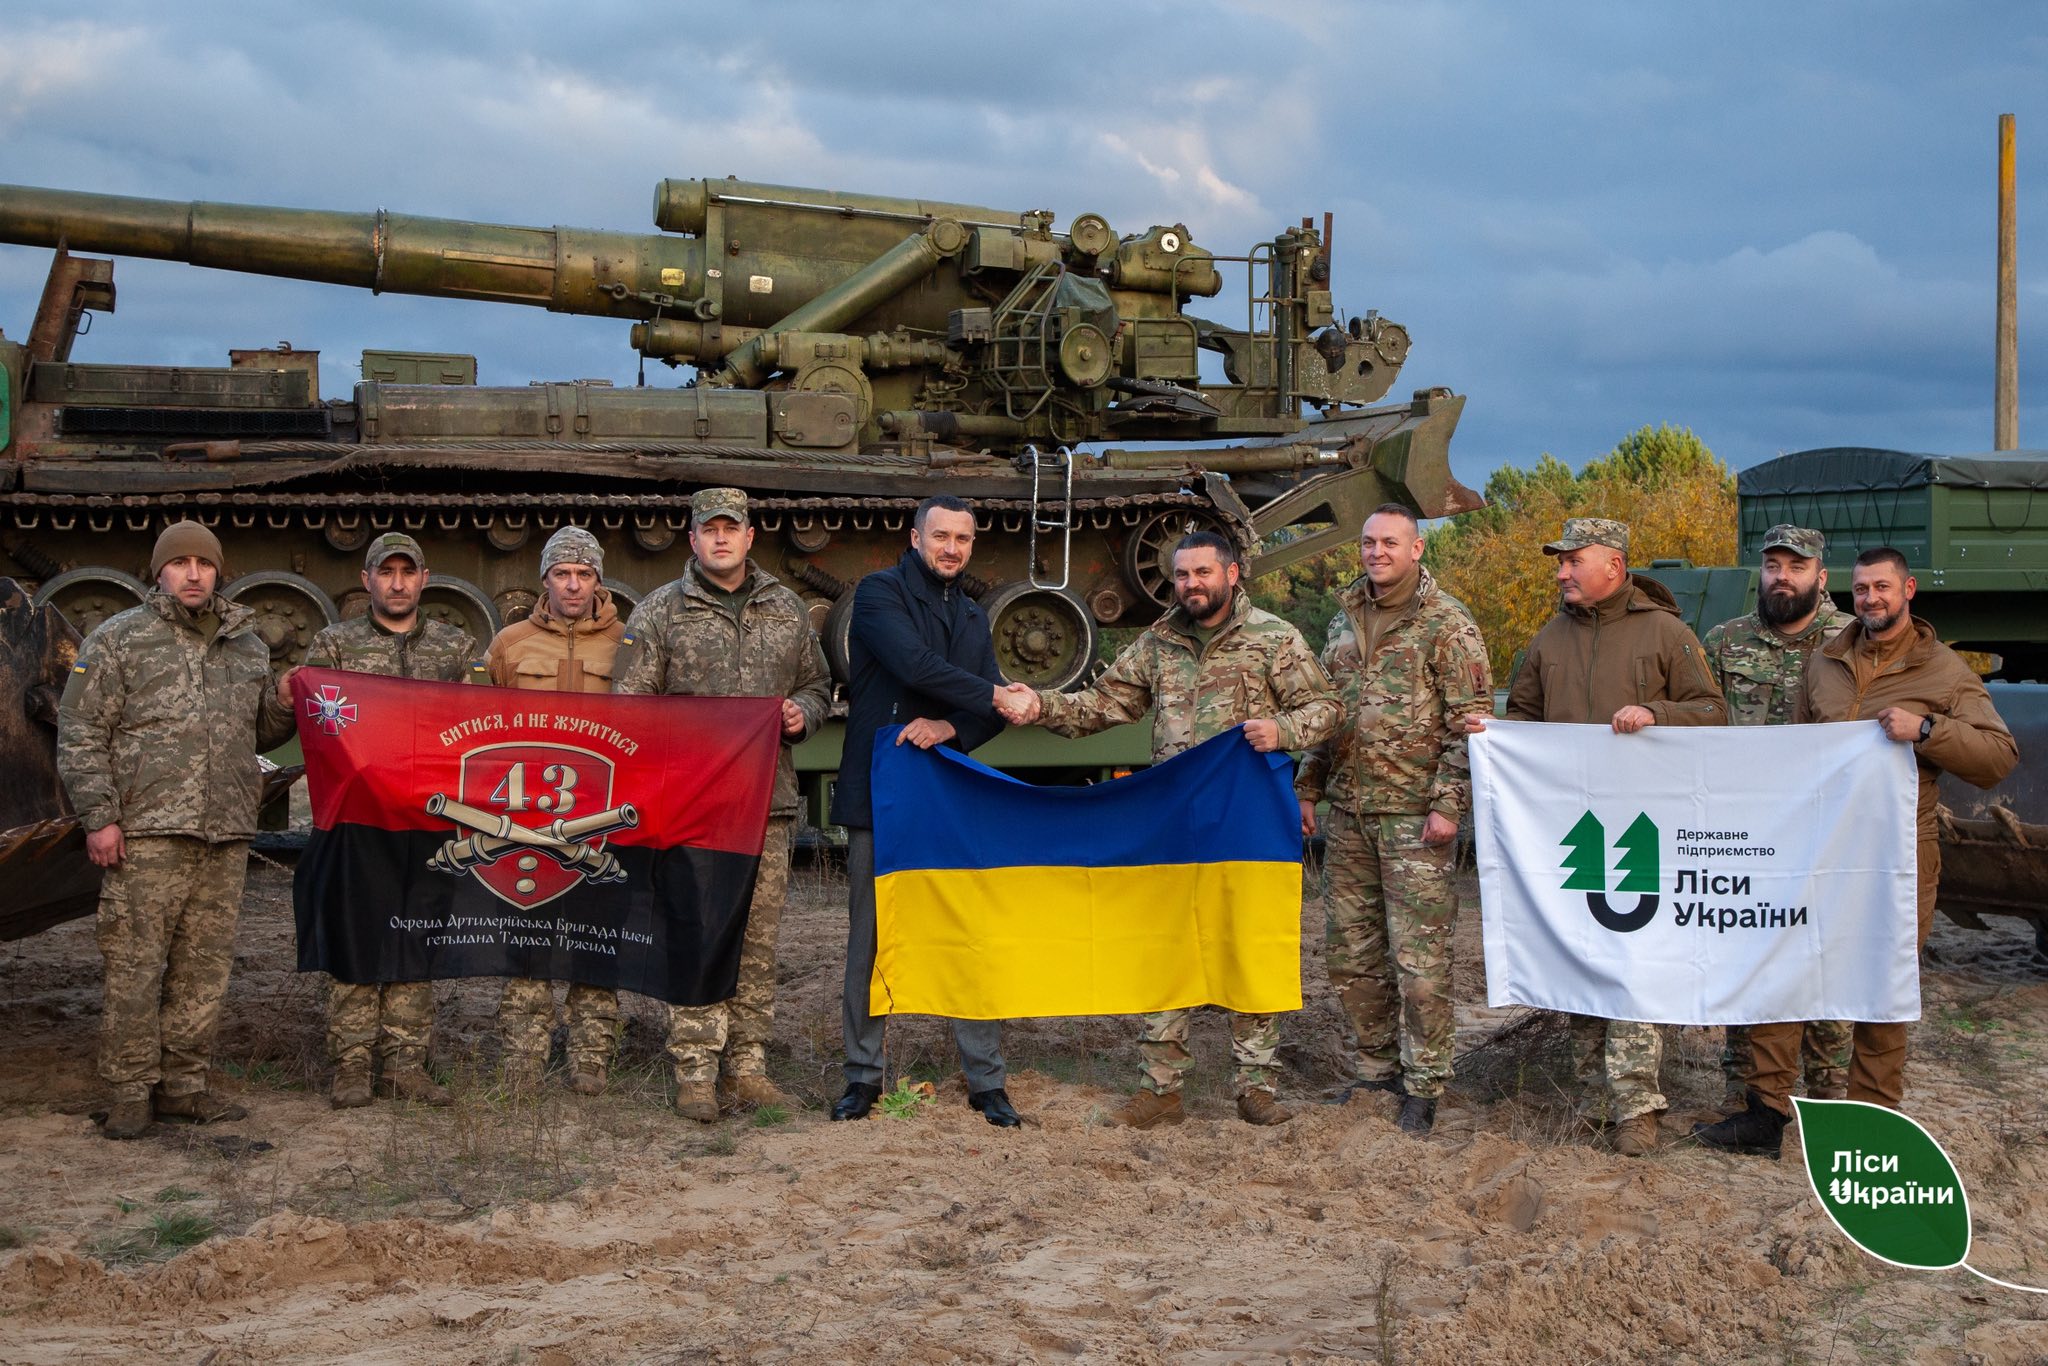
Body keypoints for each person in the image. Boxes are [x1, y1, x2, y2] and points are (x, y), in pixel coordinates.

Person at [1004, 530, 1341, 1129]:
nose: (1191, 584)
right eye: (1182, 575)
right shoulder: (1158, 642)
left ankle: (1256, 1089)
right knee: (1164, 946)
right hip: (1175, 820)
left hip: (1244, 819)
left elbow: (1328, 709)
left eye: (1203, 573)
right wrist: (1042, 706)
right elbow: (1104, 705)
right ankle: (1159, 1091)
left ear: (1231, 574)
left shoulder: (1274, 637)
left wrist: (1282, 731)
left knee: (1249, 942)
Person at [1696, 547, 2017, 1156]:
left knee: (1882, 981)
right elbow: (1797, 752)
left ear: (1908, 590)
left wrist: (1927, 731)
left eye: (1883, 587)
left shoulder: (1944, 671)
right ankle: (1765, 1114)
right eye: (1862, 588)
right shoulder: (1825, 662)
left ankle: (1872, 1126)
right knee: (1783, 961)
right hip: (1816, 841)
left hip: (1897, 850)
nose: (1871, 598)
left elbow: (1997, 758)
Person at [1481, 517, 1728, 1157]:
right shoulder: (1549, 640)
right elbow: (1525, 723)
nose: (1561, 573)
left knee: (1635, 964)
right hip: (1573, 831)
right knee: (1582, 956)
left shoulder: (1666, 633)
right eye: (1559, 562)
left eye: (1573, 561)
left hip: (1647, 831)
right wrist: (1492, 738)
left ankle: (1637, 1109)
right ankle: (1593, 1099)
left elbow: (1713, 712)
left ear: (1614, 566)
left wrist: (1656, 713)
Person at [56, 520, 297, 1139]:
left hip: (224, 831)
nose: (193, 574)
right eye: (180, 563)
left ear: (219, 571)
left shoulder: (247, 645)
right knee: (134, 966)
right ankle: (130, 1092)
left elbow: (259, 734)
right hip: (147, 831)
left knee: (203, 970)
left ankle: (184, 1087)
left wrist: (282, 703)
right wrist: (100, 818)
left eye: (204, 563)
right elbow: (81, 732)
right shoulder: (119, 638)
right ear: (158, 571)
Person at [614, 488, 832, 1122]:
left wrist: (804, 714)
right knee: (698, 932)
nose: (720, 538)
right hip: (694, 808)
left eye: (730, 528)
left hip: (768, 803)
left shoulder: (786, 609)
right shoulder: (661, 611)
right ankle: (695, 1068)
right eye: (708, 529)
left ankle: (747, 1067)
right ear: (692, 539)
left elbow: (817, 683)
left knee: (758, 942)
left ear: (749, 536)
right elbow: (630, 705)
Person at [1295, 505, 1491, 1136]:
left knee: (1420, 961)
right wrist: (1309, 787)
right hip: (1350, 813)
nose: (1376, 552)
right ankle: (1375, 1070)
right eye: (1368, 542)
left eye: (1389, 542)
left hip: (1415, 819)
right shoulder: (1345, 619)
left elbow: (1472, 724)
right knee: (1352, 954)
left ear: (1416, 549)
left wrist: (1448, 805)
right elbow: (1328, 713)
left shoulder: (1448, 624)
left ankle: (1424, 1084)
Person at [828, 494, 1021, 1128]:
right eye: (940, 536)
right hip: (882, 789)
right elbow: (915, 665)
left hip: (947, 792)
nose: (951, 549)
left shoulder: (972, 614)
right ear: (915, 538)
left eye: (962, 539)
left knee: (967, 932)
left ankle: (986, 1080)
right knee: (871, 937)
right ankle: (862, 1076)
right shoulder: (877, 594)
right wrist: (995, 694)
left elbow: (984, 717)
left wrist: (951, 726)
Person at [301, 532, 478, 1110]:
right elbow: (317, 727)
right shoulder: (335, 646)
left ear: (424, 579)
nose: (397, 583)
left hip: (428, 818)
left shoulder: (453, 649)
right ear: (367, 579)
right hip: (358, 822)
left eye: (408, 572)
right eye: (386, 572)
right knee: (355, 932)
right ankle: (352, 1063)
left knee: (417, 934)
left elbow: (474, 727)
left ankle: (405, 1063)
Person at [1701, 525, 1852, 1111]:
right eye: (1772, 566)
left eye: (1796, 566)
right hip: (1748, 835)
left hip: (1828, 832)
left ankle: (1831, 1094)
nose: (1782, 577)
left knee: (1827, 956)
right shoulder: (1725, 641)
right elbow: (1698, 718)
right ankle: (1749, 1095)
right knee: (1749, 952)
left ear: (1821, 575)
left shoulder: (1851, 639)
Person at [483, 526, 628, 1093]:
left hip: (600, 815)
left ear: (598, 580)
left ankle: (590, 1055)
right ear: (544, 578)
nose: (573, 585)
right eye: (562, 573)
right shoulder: (509, 643)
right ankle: (523, 1056)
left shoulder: (629, 643)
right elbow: (482, 721)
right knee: (526, 933)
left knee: (596, 936)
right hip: (526, 816)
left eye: (584, 574)